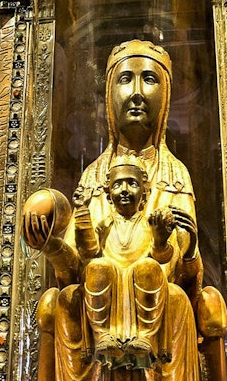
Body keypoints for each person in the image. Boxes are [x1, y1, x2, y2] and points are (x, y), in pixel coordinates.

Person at [23, 41, 225, 381]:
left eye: (149, 79)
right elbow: (74, 268)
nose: (137, 92)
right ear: (108, 98)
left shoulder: (175, 175)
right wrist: (54, 246)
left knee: (171, 300)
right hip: (99, 302)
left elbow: (181, 254)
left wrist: (161, 242)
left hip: (157, 292)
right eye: (125, 79)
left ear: (167, 96)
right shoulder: (92, 177)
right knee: (66, 302)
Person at [76, 156, 180, 367]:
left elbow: (164, 260)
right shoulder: (105, 225)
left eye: (132, 184)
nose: (124, 189)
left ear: (145, 192)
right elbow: (89, 252)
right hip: (111, 284)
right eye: (117, 185)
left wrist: (160, 242)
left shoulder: (150, 224)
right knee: (97, 266)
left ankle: (146, 337)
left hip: (140, 284)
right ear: (107, 194)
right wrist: (82, 213)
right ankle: (102, 335)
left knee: (148, 267)